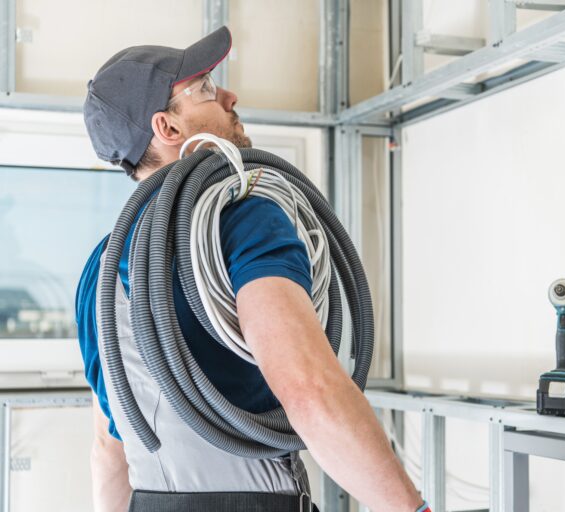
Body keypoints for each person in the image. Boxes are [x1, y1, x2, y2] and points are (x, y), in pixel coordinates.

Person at [76, 27, 426, 512]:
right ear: (169, 129)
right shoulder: (239, 218)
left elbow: (110, 449)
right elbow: (310, 390)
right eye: (203, 91)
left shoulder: (100, 269)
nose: (228, 96)